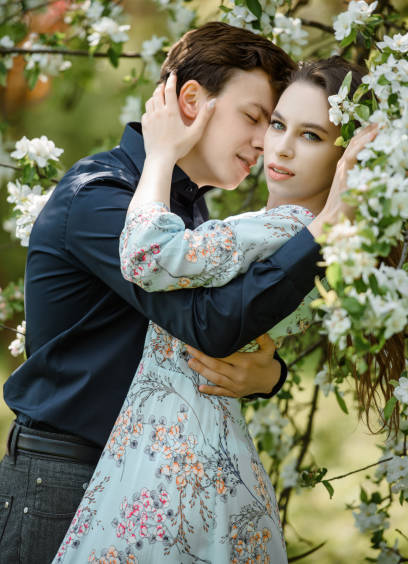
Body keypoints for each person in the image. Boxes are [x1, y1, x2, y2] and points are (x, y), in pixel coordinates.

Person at [52, 58, 377, 563]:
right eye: (274, 124)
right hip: (212, 470)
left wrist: (160, 155)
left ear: (346, 157)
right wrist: (271, 374)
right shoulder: (319, 246)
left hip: (172, 473)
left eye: (311, 135)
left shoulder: (282, 230)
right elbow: (238, 318)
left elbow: (146, 255)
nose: (279, 147)